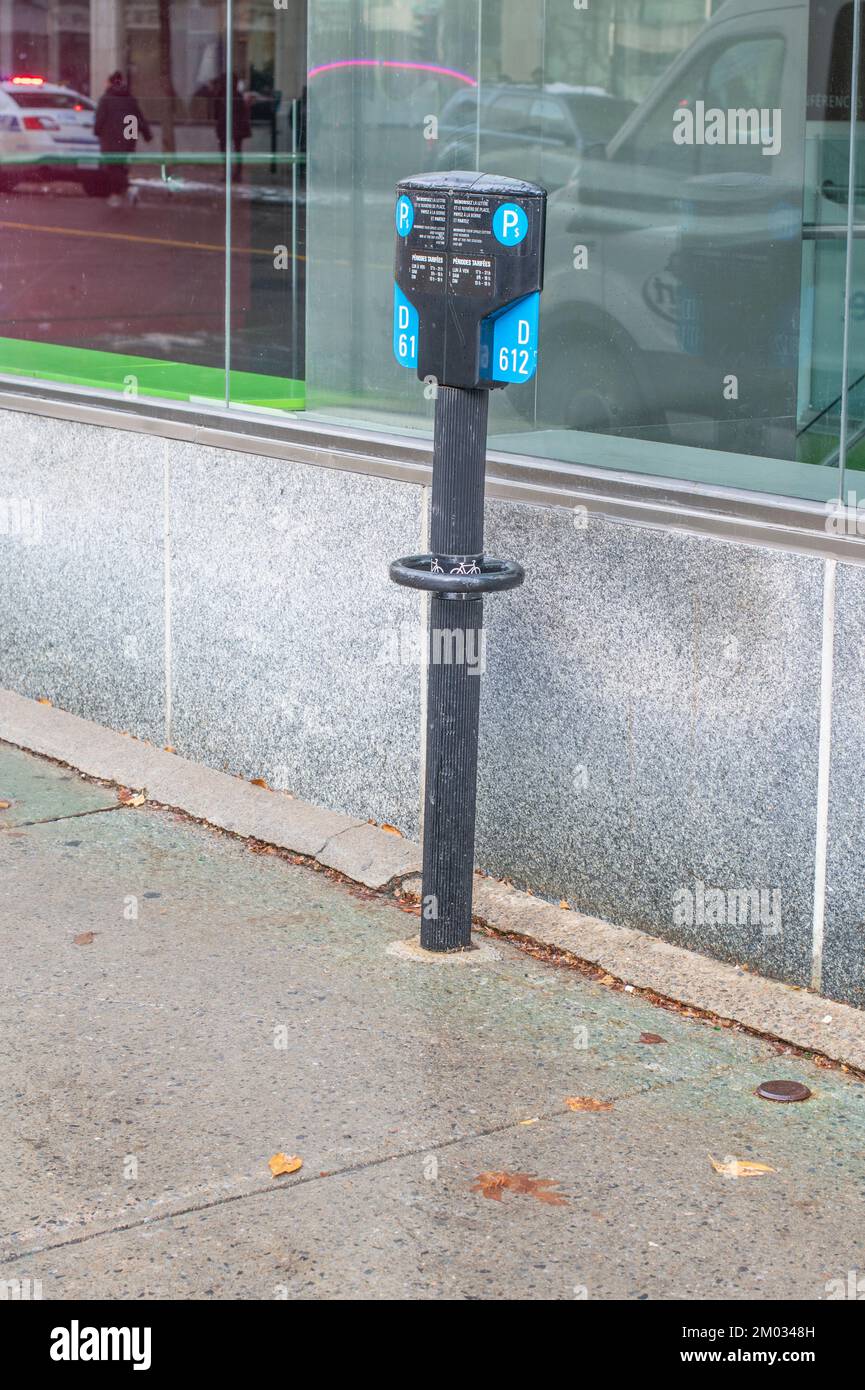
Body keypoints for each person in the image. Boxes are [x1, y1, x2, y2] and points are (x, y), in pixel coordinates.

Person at [94, 71, 152, 206]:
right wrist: (146, 134)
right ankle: (121, 193)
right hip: (128, 137)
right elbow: (139, 117)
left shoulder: (106, 99)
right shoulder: (130, 98)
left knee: (113, 167)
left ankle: (125, 191)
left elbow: (100, 119)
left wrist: (97, 131)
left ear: (110, 83)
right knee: (121, 167)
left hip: (111, 138)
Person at [213, 74, 252, 182]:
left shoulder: (223, 95)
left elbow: (216, 114)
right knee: (237, 150)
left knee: (228, 150)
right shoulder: (235, 96)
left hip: (228, 127)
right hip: (233, 127)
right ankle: (235, 174)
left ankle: (231, 173)